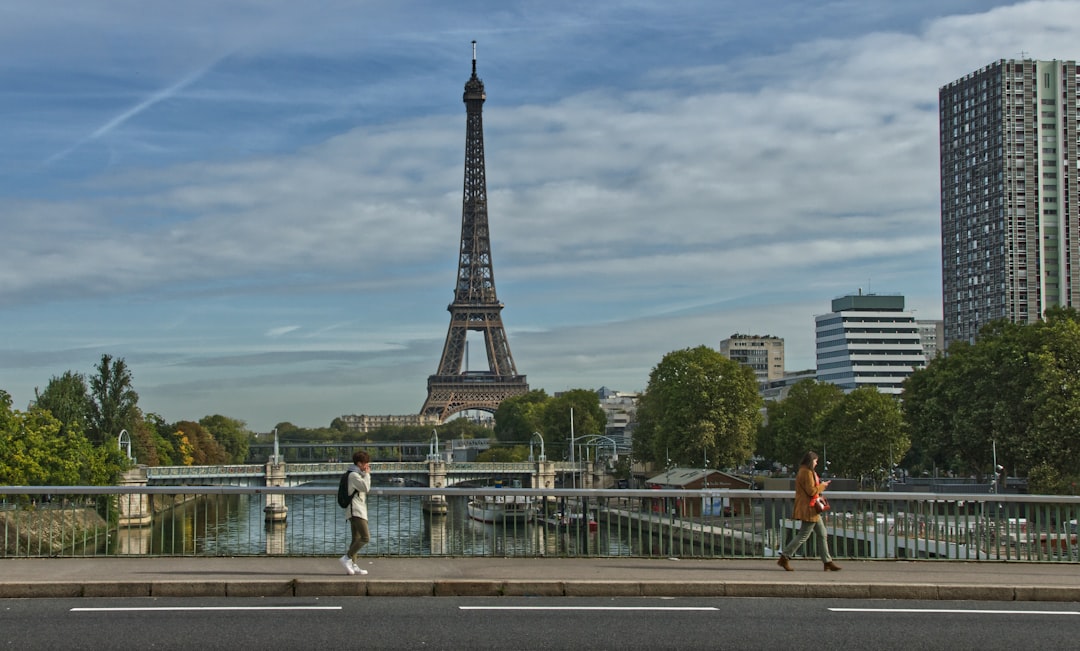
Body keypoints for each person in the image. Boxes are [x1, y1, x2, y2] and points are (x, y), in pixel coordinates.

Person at [777, 451, 841, 572]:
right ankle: (784, 556)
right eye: (816, 461)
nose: (817, 463)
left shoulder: (804, 471)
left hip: (811, 508)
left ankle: (827, 561)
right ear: (811, 461)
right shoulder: (806, 473)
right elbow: (811, 491)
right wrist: (822, 485)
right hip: (809, 509)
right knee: (803, 535)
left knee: (822, 534)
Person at [339, 450, 372, 576]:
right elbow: (366, 488)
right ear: (359, 463)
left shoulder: (356, 474)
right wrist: (367, 475)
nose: (367, 466)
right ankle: (347, 558)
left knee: (356, 539)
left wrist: (364, 474)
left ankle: (353, 565)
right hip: (356, 511)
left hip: (356, 510)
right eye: (365, 463)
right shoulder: (353, 475)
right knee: (365, 537)